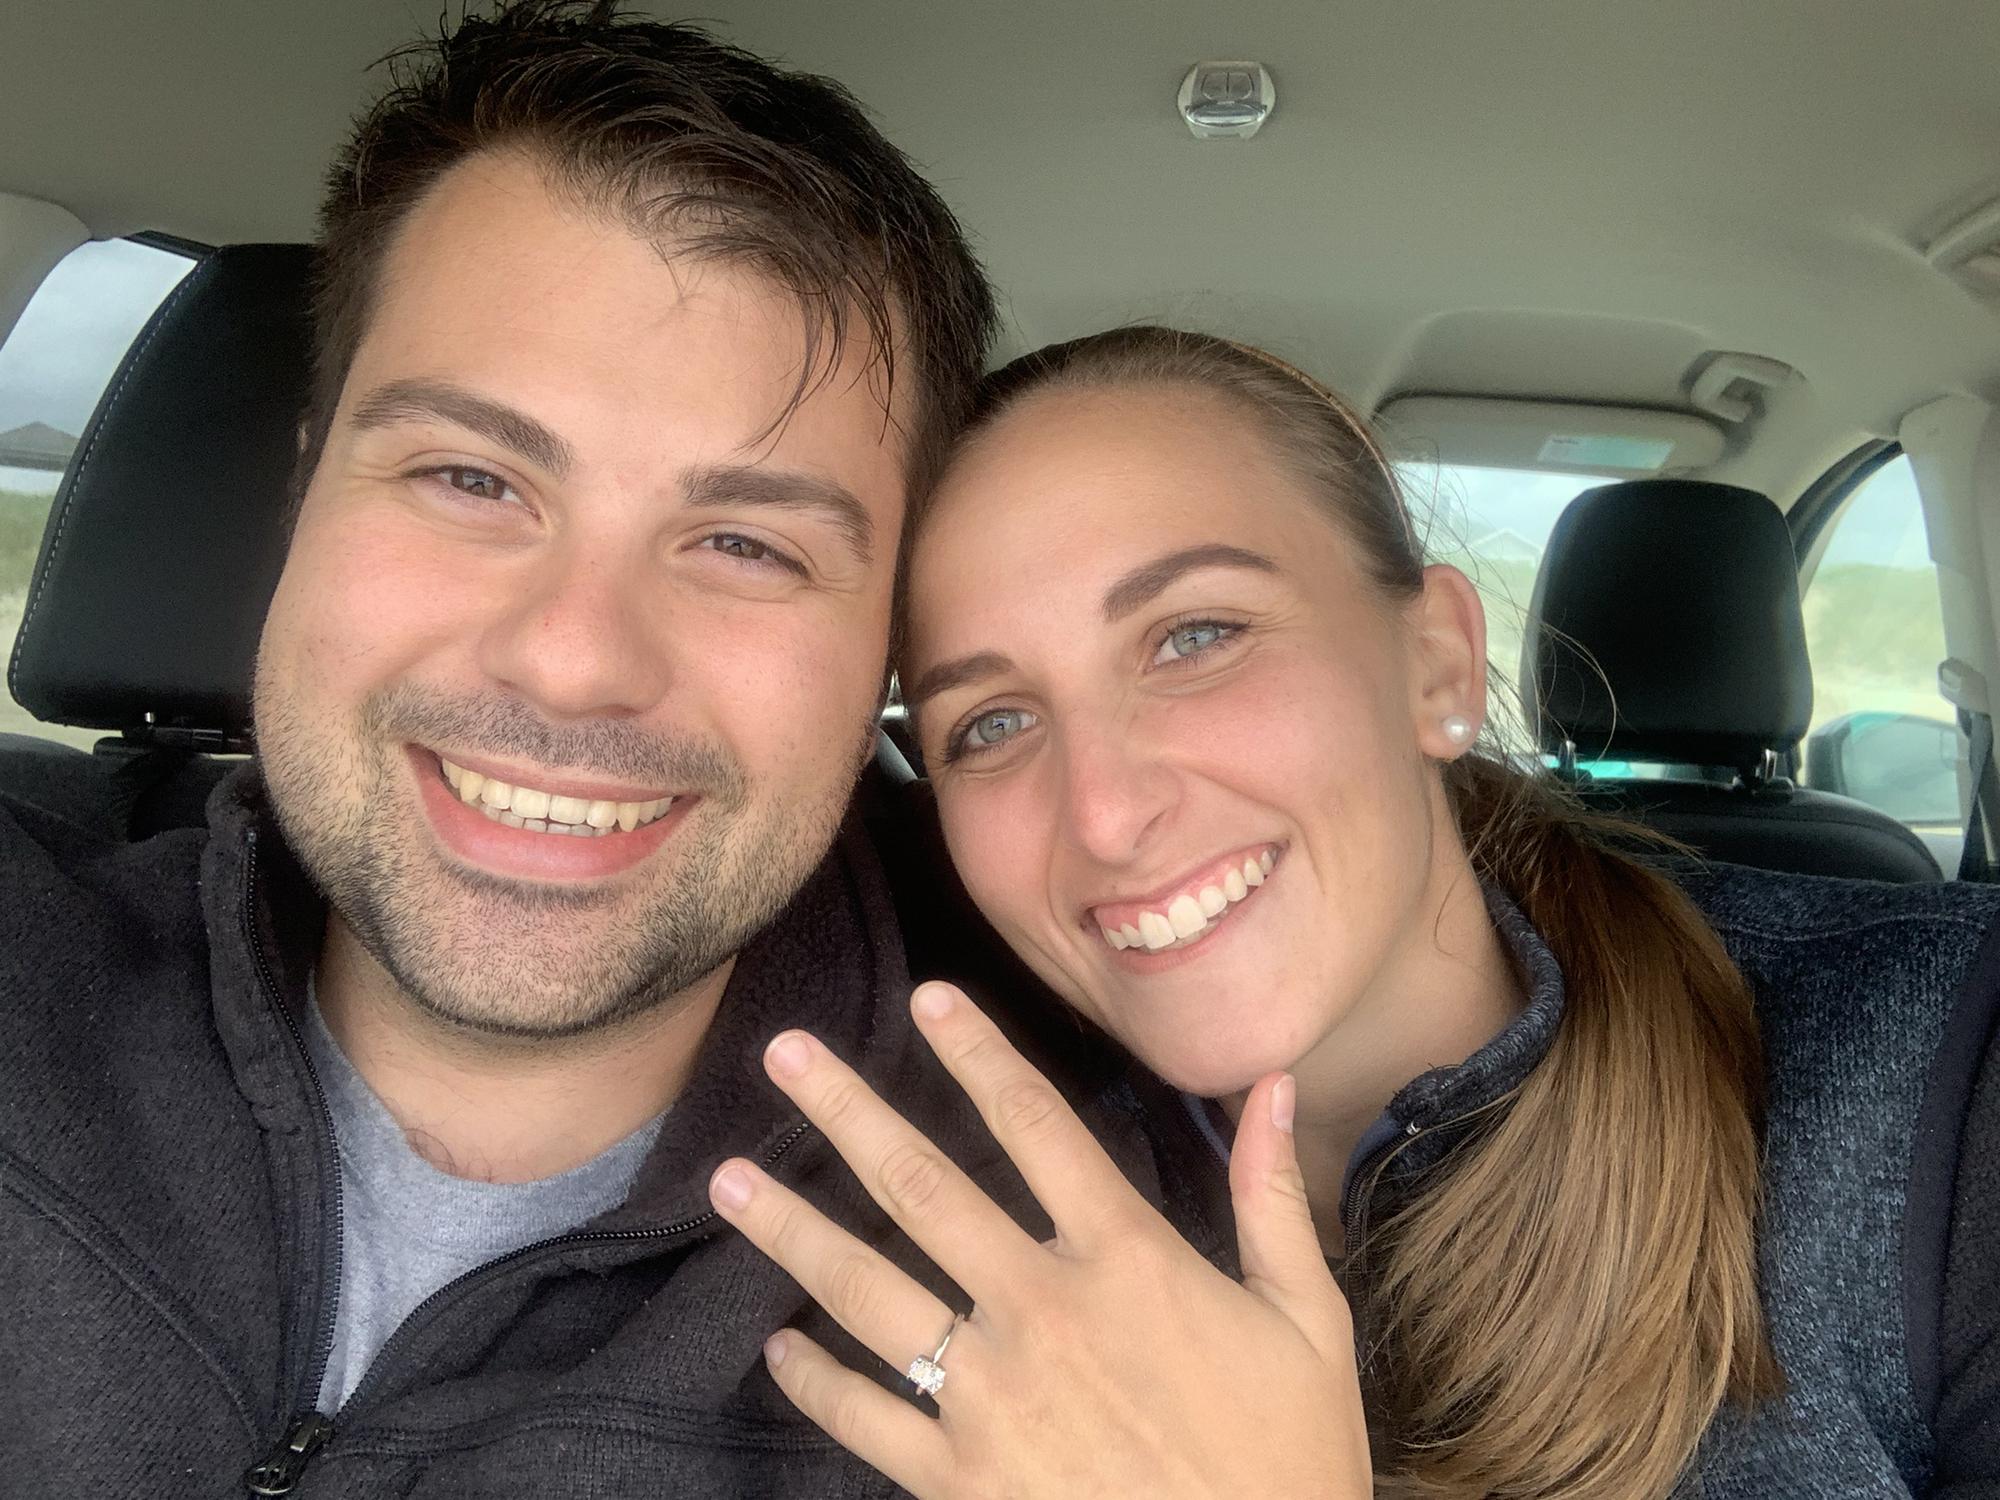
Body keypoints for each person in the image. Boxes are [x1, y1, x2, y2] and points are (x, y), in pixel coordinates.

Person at [0, 4, 1110, 1494]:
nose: (577, 656)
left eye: (744, 542)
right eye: (472, 477)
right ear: (305, 489)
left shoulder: (1091, 1284)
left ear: (888, 653)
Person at [709, 327, 2000, 1499]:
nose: (1103, 814)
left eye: (1196, 635)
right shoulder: (928, 1157)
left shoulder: (1949, 1071)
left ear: (1435, 663)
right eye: (987, 723)